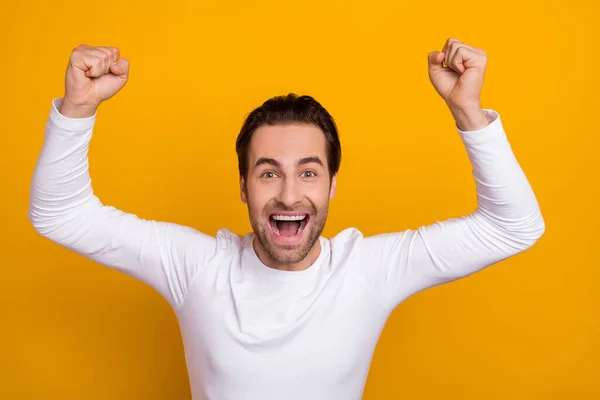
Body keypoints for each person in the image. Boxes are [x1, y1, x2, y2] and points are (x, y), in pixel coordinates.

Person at [28, 38, 545, 400]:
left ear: (333, 185)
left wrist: (468, 111)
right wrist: (78, 107)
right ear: (243, 186)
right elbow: (60, 213)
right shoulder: (195, 266)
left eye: (309, 173)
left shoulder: (368, 269)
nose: (290, 196)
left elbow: (514, 226)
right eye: (269, 173)